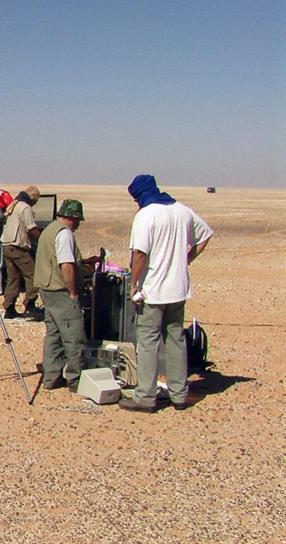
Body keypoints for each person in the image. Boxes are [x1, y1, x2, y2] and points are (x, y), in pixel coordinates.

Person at [119, 175, 213, 413]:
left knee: (148, 342)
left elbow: (139, 254)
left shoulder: (146, 215)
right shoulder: (182, 211)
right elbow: (205, 235)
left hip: (152, 290)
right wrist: (185, 260)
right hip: (178, 288)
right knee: (176, 339)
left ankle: (146, 397)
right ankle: (179, 394)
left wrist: (134, 285)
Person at [33, 199, 98, 392]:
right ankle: (76, 379)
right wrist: (73, 292)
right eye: (78, 220)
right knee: (74, 335)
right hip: (61, 291)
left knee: (54, 335)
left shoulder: (49, 230)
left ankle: (51, 377)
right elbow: (66, 265)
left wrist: (84, 262)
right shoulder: (64, 234)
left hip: (47, 289)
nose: (78, 224)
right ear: (71, 217)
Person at [1, 185, 43, 320]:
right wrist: (43, 239)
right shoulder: (25, 208)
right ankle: (30, 304)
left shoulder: (14, 205)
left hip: (7, 246)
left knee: (13, 278)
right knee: (33, 275)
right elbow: (31, 229)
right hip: (18, 247)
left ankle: (9, 307)